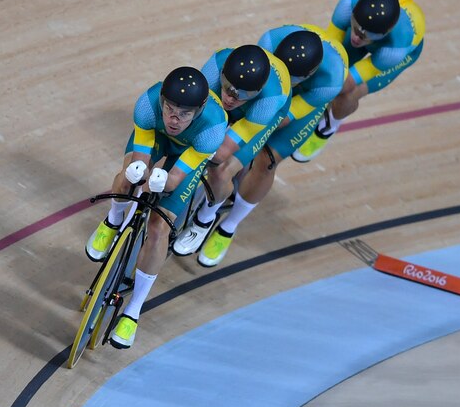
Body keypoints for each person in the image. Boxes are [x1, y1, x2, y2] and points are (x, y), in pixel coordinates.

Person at [85, 66, 228, 349]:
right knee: (130, 174)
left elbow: (174, 179)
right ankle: (113, 220)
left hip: (188, 152)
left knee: (158, 226)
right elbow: (139, 158)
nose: (174, 119)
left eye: (184, 113)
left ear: (198, 111)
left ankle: (133, 311)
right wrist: (139, 174)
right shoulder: (148, 105)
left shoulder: (213, 126)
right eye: (170, 108)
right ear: (162, 100)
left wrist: (162, 182)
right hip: (155, 137)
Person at [184, 25, 349, 266]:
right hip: (263, 94)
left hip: (299, 107)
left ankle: (228, 227)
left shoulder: (329, 81)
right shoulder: (271, 40)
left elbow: (280, 120)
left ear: (305, 77)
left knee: (266, 160)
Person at [171, 45, 291, 265]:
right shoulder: (215, 66)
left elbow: (223, 151)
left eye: (241, 95)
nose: (229, 98)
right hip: (238, 91)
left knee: (221, 167)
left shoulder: (268, 101)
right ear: (222, 75)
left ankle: (204, 221)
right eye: (226, 87)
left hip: (256, 115)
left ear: (256, 92)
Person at [292, 0, 426, 162]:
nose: (356, 38)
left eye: (364, 36)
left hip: (396, 52)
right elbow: (329, 53)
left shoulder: (395, 49)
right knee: (325, 66)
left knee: (348, 92)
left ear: (384, 33)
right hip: (374, 33)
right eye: (355, 28)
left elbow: (347, 81)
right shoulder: (346, 6)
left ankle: (327, 128)